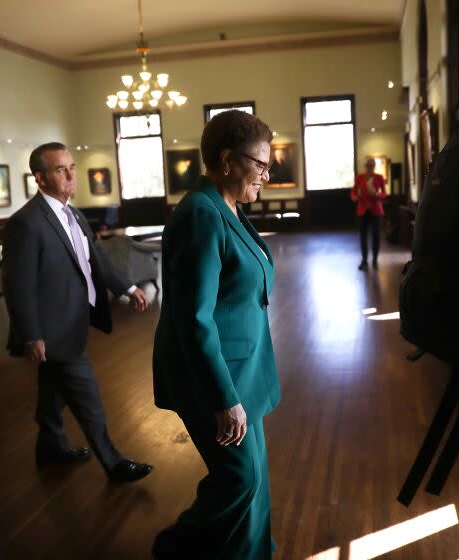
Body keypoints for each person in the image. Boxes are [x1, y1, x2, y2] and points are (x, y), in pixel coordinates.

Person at [151, 110, 281, 559]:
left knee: (255, 475)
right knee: (239, 478)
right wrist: (223, 398)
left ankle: (254, 551)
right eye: (260, 164)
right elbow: (193, 318)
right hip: (214, 376)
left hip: (245, 368)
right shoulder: (200, 214)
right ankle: (178, 546)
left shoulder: (228, 207)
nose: (267, 173)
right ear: (227, 159)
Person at [2, 142, 152, 482]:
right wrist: (31, 334)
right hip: (51, 329)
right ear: (40, 178)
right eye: (61, 170)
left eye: (71, 167)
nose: (72, 175)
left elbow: (94, 258)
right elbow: (18, 285)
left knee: (52, 390)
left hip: (74, 321)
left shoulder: (75, 213)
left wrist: (127, 288)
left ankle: (50, 446)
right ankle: (113, 463)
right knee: (87, 396)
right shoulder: (25, 223)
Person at [350, 158, 386, 270]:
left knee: (376, 236)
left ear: (374, 166)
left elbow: (384, 194)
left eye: (371, 165)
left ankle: (375, 260)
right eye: (367, 165)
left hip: (376, 210)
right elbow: (353, 192)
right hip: (362, 210)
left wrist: (377, 194)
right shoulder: (359, 177)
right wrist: (355, 197)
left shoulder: (379, 177)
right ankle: (364, 260)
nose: (369, 167)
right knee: (363, 236)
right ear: (364, 166)